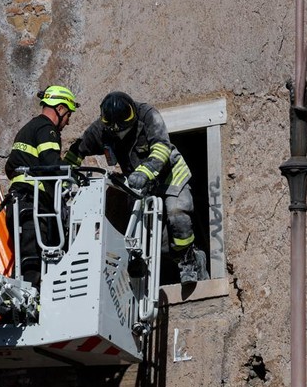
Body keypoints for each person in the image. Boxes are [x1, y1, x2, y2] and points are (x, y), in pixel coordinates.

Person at [63, 91, 209, 285]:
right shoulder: (101, 129)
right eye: (114, 130)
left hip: (170, 175)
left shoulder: (148, 115)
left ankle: (189, 261)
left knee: (177, 214)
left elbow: (162, 148)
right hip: (140, 187)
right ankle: (179, 259)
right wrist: (66, 177)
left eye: (123, 128)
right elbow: (77, 150)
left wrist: (145, 171)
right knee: (156, 238)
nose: (119, 133)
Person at [5, 85, 79, 286]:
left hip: (18, 203)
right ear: (61, 108)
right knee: (35, 262)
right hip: (33, 205)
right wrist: (77, 175)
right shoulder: (47, 130)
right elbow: (52, 163)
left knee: (24, 260)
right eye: (68, 114)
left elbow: (9, 166)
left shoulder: (28, 129)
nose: (68, 121)